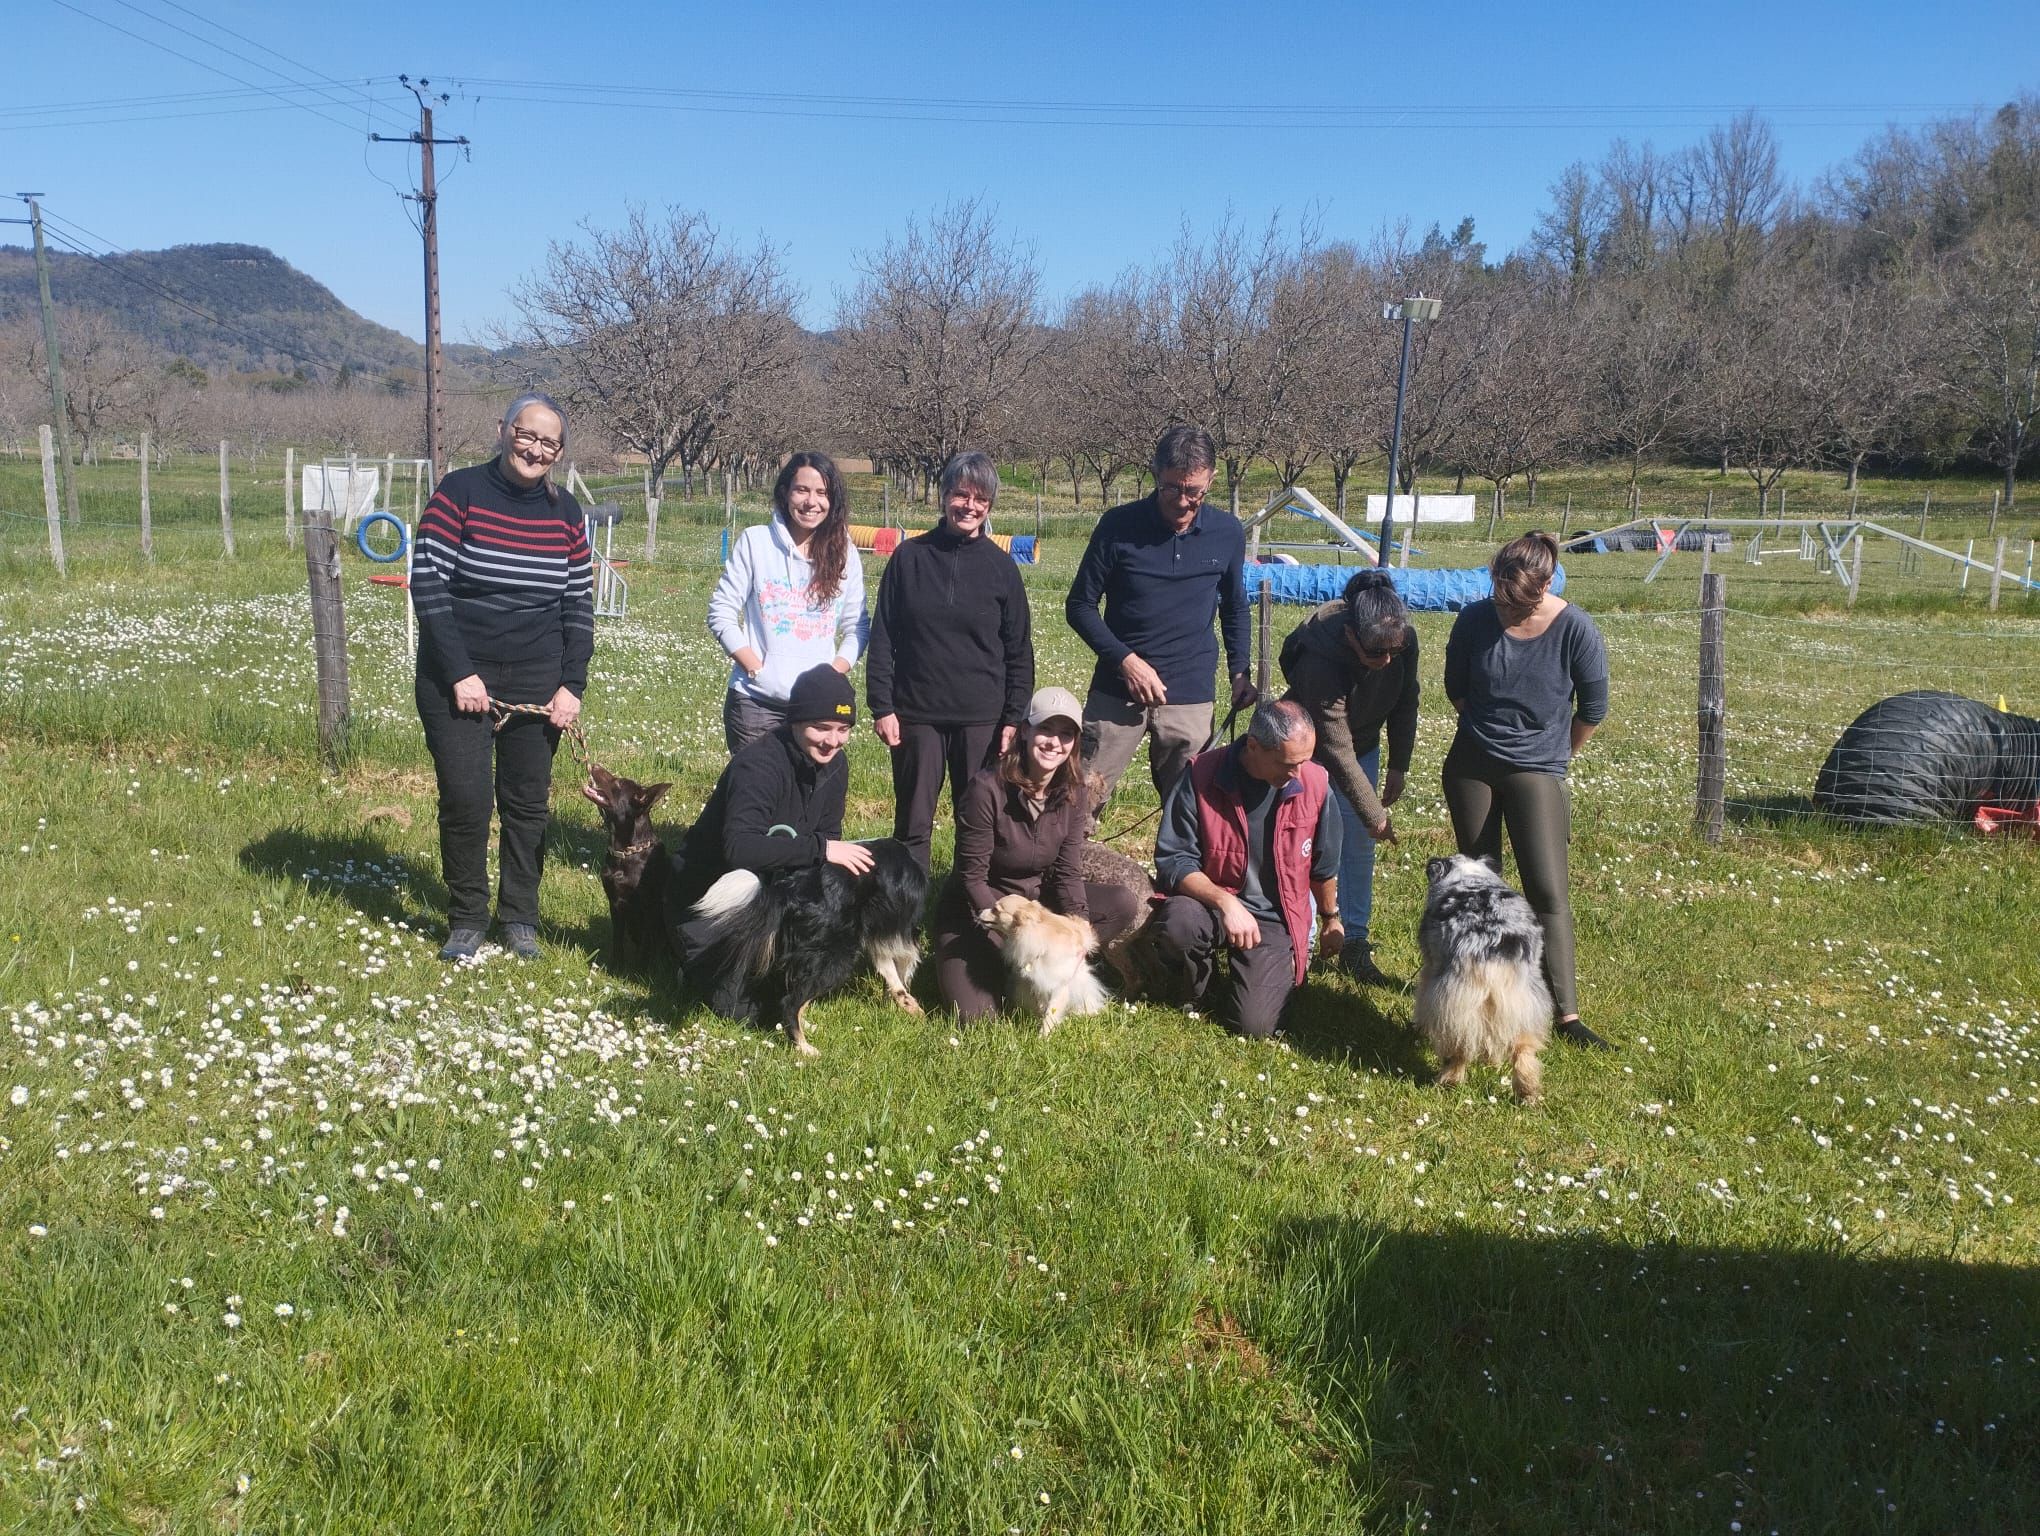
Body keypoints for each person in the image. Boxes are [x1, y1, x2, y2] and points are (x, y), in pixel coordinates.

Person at [411, 392, 592, 962]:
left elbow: (578, 602)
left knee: (527, 805)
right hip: (460, 676)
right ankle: (466, 917)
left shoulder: (565, 514)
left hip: (537, 676)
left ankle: (520, 919)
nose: (535, 448)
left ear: (559, 452)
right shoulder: (459, 492)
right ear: (503, 430)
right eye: (527, 434)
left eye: (549, 442)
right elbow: (428, 582)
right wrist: (461, 673)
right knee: (466, 799)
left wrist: (572, 685)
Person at [1441, 531, 1614, 1051]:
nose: (1505, 609)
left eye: (1516, 602)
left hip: (1538, 768)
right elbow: (1457, 687)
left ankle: (1566, 1013)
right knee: (1478, 884)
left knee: (1546, 890)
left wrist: (1558, 756)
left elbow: (1594, 708)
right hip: (1472, 763)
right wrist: (1486, 734)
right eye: (1498, 596)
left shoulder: (1575, 629)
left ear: (1542, 589)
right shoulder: (1473, 619)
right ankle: (1479, 992)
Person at [1065, 424, 1256, 815]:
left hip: (1189, 694)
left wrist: (1240, 671)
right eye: (1172, 488)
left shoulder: (1227, 532)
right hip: (1117, 690)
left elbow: (1234, 606)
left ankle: (1177, 877)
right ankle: (1068, 874)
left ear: (1211, 480)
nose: (1183, 501)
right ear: (1155, 474)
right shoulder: (1118, 527)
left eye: (1194, 491)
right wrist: (1126, 662)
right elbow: (1079, 605)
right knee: (1077, 804)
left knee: (1191, 813)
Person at [669, 665, 872, 1018]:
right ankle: (683, 953)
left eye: (843, 730)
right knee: (745, 1011)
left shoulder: (836, 765)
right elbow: (740, 849)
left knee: (801, 982)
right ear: (795, 721)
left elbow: (828, 836)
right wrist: (820, 849)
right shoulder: (758, 765)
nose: (832, 741)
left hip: (773, 895)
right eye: (820, 728)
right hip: (714, 898)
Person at [866, 451, 1034, 870]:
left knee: (976, 821)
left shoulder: (1002, 569)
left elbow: (1019, 650)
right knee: (912, 824)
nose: (970, 506)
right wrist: (882, 707)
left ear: (990, 507)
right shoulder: (909, 558)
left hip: (982, 719)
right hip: (916, 714)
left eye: (981, 500)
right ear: (944, 497)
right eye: (961, 495)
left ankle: (964, 913)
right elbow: (883, 634)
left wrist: (1013, 718)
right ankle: (905, 912)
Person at [933, 687, 1144, 1020]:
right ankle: (1017, 968)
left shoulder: (1074, 792)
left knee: (1120, 903)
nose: (1054, 743)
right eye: (1045, 729)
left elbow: (1067, 871)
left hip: (1036, 906)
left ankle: (1056, 969)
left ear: (1075, 743)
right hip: (982, 908)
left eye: (1065, 735)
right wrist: (1010, 938)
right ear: (1026, 731)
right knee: (977, 1017)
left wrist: (1079, 933)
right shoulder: (985, 789)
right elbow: (972, 876)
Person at [1152, 700, 1342, 1039]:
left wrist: (1331, 918)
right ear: (1252, 746)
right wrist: (1226, 903)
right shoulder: (1200, 775)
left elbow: (1323, 865)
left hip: (1273, 915)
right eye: (1289, 763)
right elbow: (1174, 860)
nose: (1298, 773)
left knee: (1254, 1027)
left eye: (1306, 760)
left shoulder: (1315, 783)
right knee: (1178, 925)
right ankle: (1198, 988)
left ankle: (1249, 984)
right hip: (1210, 903)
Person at [1278, 569, 1420, 986]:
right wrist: (1374, 812)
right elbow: (1336, 748)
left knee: (1358, 851)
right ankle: (1298, 947)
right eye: (1376, 654)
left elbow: (1406, 699)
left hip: (1365, 746)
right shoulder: (1319, 659)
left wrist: (1399, 763)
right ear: (1351, 636)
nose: (1387, 661)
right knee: (1305, 847)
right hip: (1312, 756)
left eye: (1394, 651)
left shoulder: (1399, 639)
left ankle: (1355, 942)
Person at [707, 450, 868, 753]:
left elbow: (857, 626)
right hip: (754, 705)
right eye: (802, 490)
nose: (811, 501)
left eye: (822, 492)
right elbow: (721, 612)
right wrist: (755, 669)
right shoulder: (756, 542)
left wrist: (830, 677)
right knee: (755, 796)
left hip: (817, 709)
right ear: (785, 492)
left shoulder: (844, 551)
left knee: (808, 797)